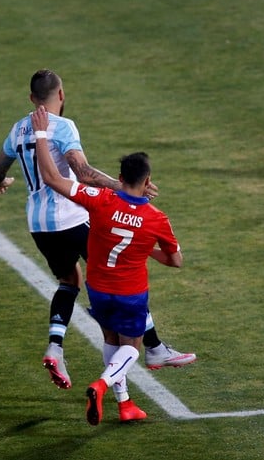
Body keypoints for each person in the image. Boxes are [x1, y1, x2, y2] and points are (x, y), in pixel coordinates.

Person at [0, 69, 195, 391]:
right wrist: (125, 187)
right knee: (123, 266)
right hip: (71, 217)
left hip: (38, 224)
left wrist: (1, 183)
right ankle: (154, 349)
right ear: (61, 95)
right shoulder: (63, 126)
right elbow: (83, 173)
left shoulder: (17, 129)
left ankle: (55, 348)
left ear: (32, 99)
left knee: (69, 281)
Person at [30, 105, 183, 424]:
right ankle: (102, 384)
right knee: (132, 348)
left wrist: (41, 134)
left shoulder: (98, 199)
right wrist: (150, 252)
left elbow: (53, 177)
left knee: (111, 340)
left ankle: (125, 404)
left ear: (120, 178)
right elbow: (175, 260)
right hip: (131, 294)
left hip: (97, 290)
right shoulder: (156, 219)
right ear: (147, 180)